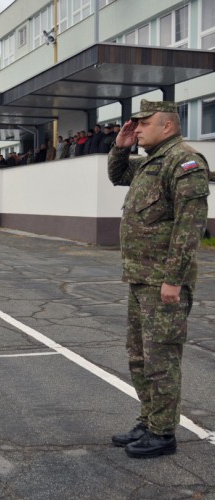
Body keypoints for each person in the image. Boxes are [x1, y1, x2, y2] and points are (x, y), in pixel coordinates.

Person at [108, 100, 210, 459]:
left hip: (162, 282)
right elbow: (118, 175)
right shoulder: (152, 161)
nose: (137, 129)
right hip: (140, 278)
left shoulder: (184, 162)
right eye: (134, 124)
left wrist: (173, 279)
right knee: (139, 357)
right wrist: (120, 147)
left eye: (143, 124)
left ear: (167, 126)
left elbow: (190, 225)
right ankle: (149, 420)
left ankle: (164, 433)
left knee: (161, 359)